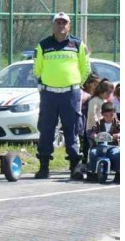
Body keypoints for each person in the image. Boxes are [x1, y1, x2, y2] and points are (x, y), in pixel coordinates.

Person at [32, 11, 91, 179]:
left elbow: (85, 68)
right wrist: (46, 83)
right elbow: (37, 69)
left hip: (70, 94)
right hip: (49, 94)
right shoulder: (43, 45)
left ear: (69, 26)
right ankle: (44, 167)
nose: (61, 25)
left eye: (64, 23)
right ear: (53, 25)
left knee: (72, 129)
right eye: (58, 22)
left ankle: (74, 166)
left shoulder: (78, 45)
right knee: (46, 129)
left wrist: (77, 85)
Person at [87, 101, 120, 183]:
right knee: (93, 152)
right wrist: (94, 135)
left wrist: (118, 135)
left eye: (111, 115)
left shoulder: (117, 123)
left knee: (116, 154)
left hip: (112, 146)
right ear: (102, 114)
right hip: (100, 146)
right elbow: (93, 131)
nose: (108, 117)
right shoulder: (99, 123)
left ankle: (118, 172)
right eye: (106, 115)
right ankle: (93, 172)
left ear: (114, 114)